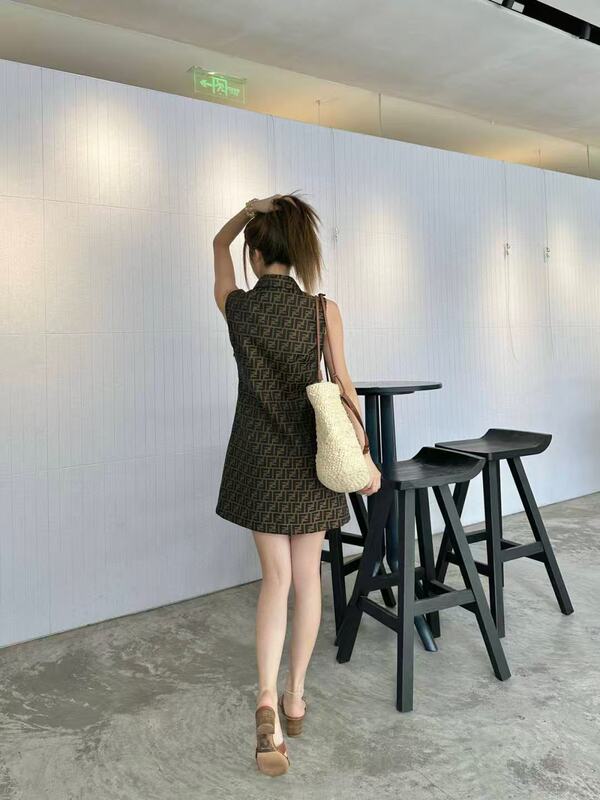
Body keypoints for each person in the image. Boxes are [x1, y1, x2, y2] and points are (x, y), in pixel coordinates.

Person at [213, 191, 381, 776]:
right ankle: (295, 697)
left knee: (275, 580)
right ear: (298, 251)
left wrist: (247, 211)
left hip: (258, 463)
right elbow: (345, 387)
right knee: (307, 580)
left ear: (255, 254)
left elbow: (217, 244)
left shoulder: (238, 308)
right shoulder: (321, 311)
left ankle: (264, 698)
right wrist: (365, 457)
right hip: (312, 462)